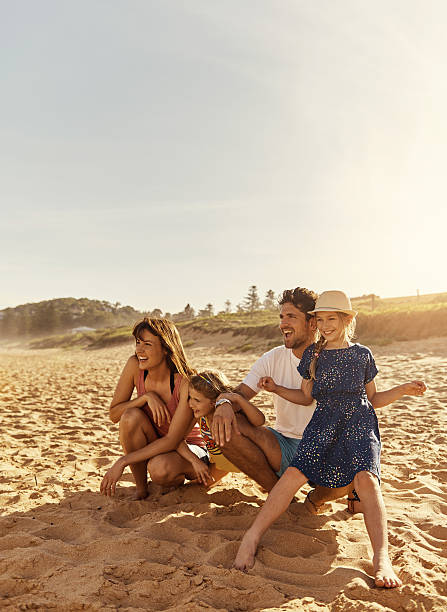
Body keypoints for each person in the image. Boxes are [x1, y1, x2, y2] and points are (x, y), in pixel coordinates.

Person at [233, 290, 427, 588]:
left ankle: (381, 558)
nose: (324, 326)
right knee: (294, 475)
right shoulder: (314, 355)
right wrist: (276, 389)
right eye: (319, 319)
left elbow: (372, 398)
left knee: (367, 481)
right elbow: (305, 396)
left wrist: (401, 390)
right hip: (323, 424)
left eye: (331, 319)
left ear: (347, 320)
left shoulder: (362, 354)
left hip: (359, 426)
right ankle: (251, 536)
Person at [210, 287, 353, 512]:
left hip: (323, 450)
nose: (283, 324)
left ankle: (315, 500)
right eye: (282, 317)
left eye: (291, 317)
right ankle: (281, 496)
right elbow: (240, 393)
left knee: (353, 465)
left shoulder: (336, 357)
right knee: (224, 422)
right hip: (283, 445)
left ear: (312, 323)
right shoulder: (273, 357)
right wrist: (224, 403)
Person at [100, 318, 207, 499]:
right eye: (138, 342)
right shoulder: (135, 366)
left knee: (160, 469)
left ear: (166, 348)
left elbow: (173, 440)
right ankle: (141, 489)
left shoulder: (185, 381)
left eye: (147, 344)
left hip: (188, 449)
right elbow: (114, 414)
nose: (139, 350)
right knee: (130, 416)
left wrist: (123, 461)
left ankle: (176, 477)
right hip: (156, 442)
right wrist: (146, 397)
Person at [178, 370, 265, 486]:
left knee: (274, 490)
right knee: (196, 487)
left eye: (197, 400)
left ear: (213, 402)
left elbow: (260, 421)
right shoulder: (200, 416)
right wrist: (195, 461)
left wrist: (239, 399)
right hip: (220, 466)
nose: (190, 404)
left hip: (249, 465)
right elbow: (178, 440)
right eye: (190, 398)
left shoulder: (229, 413)